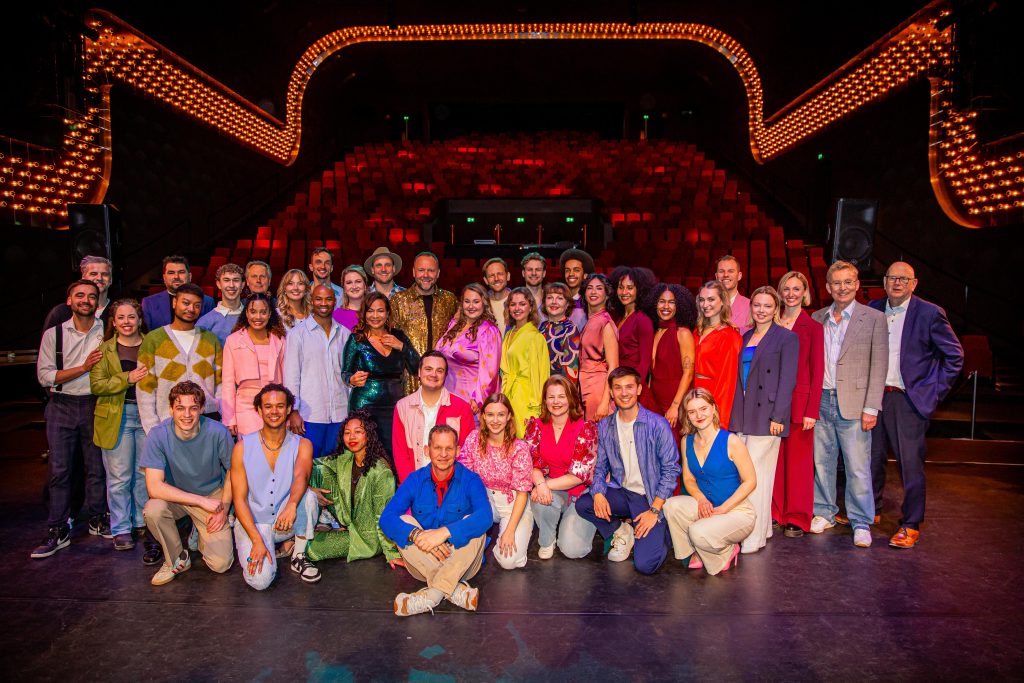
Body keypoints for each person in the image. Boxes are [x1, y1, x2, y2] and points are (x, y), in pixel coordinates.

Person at [868, 262, 963, 549]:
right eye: (892, 278)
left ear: (914, 283)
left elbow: (955, 356)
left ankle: (910, 523)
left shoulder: (930, 313)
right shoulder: (873, 308)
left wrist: (932, 393)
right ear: (884, 281)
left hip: (908, 400)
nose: (897, 283)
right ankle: (870, 510)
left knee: (910, 464)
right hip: (874, 397)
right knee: (871, 458)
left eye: (903, 279)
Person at [810, 260, 888, 548]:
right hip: (821, 399)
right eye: (836, 283)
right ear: (828, 287)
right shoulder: (817, 317)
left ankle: (860, 521)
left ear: (856, 285)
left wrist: (871, 407)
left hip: (855, 405)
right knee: (822, 462)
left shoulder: (874, 318)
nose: (842, 287)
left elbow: (879, 365)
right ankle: (824, 512)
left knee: (857, 467)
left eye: (847, 282)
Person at [575, 367, 680, 575]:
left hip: (650, 498)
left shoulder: (657, 424)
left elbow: (671, 470)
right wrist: (598, 493)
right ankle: (622, 530)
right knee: (584, 504)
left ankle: (664, 534)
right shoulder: (606, 426)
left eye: (629, 387)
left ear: (639, 389)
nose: (624, 393)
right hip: (623, 493)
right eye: (618, 388)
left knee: (646, 565)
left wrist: (654, 511)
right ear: (611, 392)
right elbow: (600, 466)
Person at [379, 424, 492, 617]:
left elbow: (486, 517)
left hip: (463, 563)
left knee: (475, 524)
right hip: (424, 560)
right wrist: (417, 535)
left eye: (449, 448)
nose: (443, 454)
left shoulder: (471, 480)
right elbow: (386, 518)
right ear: (427, 450)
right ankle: (454, 590)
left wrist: (444, 533)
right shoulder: (415, 480)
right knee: (405, 521)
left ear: (458, 451)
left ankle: (431, 596)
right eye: (437, 448)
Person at [32, 280, 108, 559]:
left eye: (91, 296)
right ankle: (58, 527)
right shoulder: (54, 334)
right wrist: (83, 368)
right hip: (61, 404)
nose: (86, 300)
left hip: (94, 403)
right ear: (69, 301)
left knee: (96, 467)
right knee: (60, 470)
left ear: (97, 302)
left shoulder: (106, 330)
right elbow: (45, 377)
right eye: (80, 295)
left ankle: (98, 517)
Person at [141, 381, 234, 585]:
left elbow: (233, 471)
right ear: (171, 409)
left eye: (193, 408)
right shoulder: (158, 435)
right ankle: (175, 559)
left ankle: (198, 530)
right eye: (180, 408)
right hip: (176, 497)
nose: (187, 414)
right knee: (153, 509)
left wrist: (225, 508)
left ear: (202, 409)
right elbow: (154, 487)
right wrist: (199, 501)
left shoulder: (218, 432)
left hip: (211, 495)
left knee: (221, 564)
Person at [729, 286, 799, 554]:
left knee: (755, 477)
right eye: (757, 305)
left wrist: (778, 416)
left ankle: (753, 537)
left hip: (768, 415)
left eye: (767, 306)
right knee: (754, 476)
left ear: (776, 309)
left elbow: (787, 380)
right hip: (745, 412)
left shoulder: (786, 338)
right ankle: (764, 528)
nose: (761, 310)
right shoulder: (746, 336)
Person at [231, 383, 320, 589]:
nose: (274, 411)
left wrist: (292, 504)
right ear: (259, 410)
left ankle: (298, 554)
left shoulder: (303, 444)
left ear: (288, 409)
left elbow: (301, 476)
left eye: (280, 406)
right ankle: (268, 546)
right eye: (268, 406)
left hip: (285, 520)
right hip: (253, 524)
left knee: (308, 497)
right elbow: (239, 500)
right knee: (260, 582)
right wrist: (257, 540)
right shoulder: (242, 448)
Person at [662, 389, 757, 575]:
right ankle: (697, 551)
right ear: (687, 416)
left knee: (697, 532)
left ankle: (727, 550)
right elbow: (688, 479)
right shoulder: (686, 441)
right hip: (709, 506)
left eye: (703, 409)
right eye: (692, 412)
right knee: (671, 506)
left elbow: (750, 481)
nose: (699, 415)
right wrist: (701, 499)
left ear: (713, 408)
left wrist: (725, 508)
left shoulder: (731, 441)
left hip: (737, 511)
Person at [90, 299, 151, 553]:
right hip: (118, 417)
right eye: (121, 318)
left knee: (143, 475)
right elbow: (97, 385)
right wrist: (127, 378)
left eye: (131, 317)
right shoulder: (104, 350)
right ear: (113, 323)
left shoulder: (152, 344)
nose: (127, 322)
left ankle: (140, 522)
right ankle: (121, 528)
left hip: (146, 416)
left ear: (139, 320)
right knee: (119, 478)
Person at [307, 409, 401, 566]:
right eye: (347, 433)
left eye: (358, 432)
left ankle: (323, 529)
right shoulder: (347, 458)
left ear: (369, 435)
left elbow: (384, 515)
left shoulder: (381, 472)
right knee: (317, 469)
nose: (352, 437)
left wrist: (391, 552)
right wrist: (308, 489)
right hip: (347, 519)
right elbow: (311, 465)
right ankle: (326, 521)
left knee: (311, 548)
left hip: (366, 538)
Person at [524, 376, 598, 559]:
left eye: (562, 396)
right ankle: (547, 540)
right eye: (551, 397)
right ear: (545, 400)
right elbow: (531, 462)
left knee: (573, 551)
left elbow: (579, 475)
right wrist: (540, 483)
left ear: (571, 398)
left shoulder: (585, 428)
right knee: (540, 500)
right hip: (552, 492)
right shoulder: (536, 426)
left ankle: (568, 523)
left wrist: (543, 485)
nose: (556, 402)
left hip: (579, 494)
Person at [458, 394, 534, 570]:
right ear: (483, 416)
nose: (495, 420)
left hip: (512, 504)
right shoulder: (473, 439)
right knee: (460, 533)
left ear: (509, 417)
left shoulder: (519, 448)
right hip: (482, 500)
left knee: (509, 561)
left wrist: (510, 531)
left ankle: (510, 532)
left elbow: (522, 493)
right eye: (490, 414)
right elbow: (465, 479)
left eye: (501, 414)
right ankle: (481, 540)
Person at [774, 271, 824, 537]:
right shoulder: (771, 322)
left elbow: (817, 371)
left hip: (799, 405)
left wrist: (811, 410)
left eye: (796, 289)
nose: (791, 294)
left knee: (799, 465)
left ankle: (796, 516)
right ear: (780, 292)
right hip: (772, 404)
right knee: (774, 461)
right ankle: (775, 512)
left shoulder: (813, 327)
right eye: (786, 288)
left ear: (805, 293)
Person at [137, 283, 223, 434]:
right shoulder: (154, 339)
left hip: (207, 419)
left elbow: (221, 383)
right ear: (174, 302)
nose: (191, 309)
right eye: (186, 303)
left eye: (197, 305)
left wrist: (219, 414)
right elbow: (145, 387)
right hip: (167, 422)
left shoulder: (211, 340)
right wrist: (152, 427)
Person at [343, 292, 420, 454]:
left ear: (387, 313)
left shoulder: (398, 336)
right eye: (370, 311)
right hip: (364, 405)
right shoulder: (356, 339)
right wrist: (351, 379)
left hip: (394, 406)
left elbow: (416, 368)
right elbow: (345, 372)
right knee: (366, 453)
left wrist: (402, 347)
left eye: (380, 311)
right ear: (364, 314)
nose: (375, 316)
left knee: (393, 452)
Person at [283, 285, 351, 458]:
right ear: (311, 301)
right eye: (319, 299)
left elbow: (348, 376)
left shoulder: (345, 334)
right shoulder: (297, 334)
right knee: (308, 464)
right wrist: (293, 411)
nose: (323, 303)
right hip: (310, 415)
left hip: (340, 413)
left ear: (335, 302)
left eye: (328, 299)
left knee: (336, 464)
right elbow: (291, 377)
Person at [393, 352, 475, 483]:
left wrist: (453, 487)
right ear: (419, 372)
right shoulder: (403, 407)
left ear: (445, 375)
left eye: (439, 370)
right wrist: (412, 487)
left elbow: (467, 453)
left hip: (452, 485)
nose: (434, 374)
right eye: (428, 369)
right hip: (415, 484)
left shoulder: (462, 408)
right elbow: (400, 454)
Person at [389, 252, 458, 394]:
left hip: (442, 379)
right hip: (408, 380)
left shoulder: (450, 300)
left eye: (431, 270)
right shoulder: (398, 300)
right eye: (421, 270)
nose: (426, 275)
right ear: (413, 272)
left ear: (438, 273)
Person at [221, 294, 287, 437]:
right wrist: (229, 419)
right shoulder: (233, 341)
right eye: (253, 311)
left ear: (270, 314)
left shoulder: (279, 340)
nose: (258, 317)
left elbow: (287, 379)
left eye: (263, 312)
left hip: (275, 405)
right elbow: (227, 383)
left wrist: (290, 410)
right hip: (246, 407)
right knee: (250, 448)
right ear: (246, 313)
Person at [435, 282, 502, 415]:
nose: (471, 306)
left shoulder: (488, 330)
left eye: (476, 302)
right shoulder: (454, 324)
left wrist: (479, 400)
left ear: (484, 303)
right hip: (446, 396)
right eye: (467, 301)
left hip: (471, 401)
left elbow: (490, 372)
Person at [642, 283, 697, 428]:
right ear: (655, 304)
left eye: (671, 302)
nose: (666, 306)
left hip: (674, 403)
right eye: (662, 301)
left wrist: (675, 406)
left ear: (678, 306)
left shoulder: (683, 333)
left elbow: (688, 373)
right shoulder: (654, 332)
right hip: (654, 402)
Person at [500, 288, 550, 437]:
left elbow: (541, 375)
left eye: (522, 304)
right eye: (513, 304)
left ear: (530, 307)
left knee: (524, 442)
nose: (517, 308)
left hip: (526, 400)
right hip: (508, 396)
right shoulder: (509, 334)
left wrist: (536, 408)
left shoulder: (535, 337)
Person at [693, 280, 743, 430]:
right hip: (691, 397)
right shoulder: (696, 331)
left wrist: (719, 420)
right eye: (702, 300)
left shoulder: (730, 336)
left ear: (722, 301)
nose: (705, 304)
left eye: (711, 299)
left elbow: (727, 383)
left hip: (711, 396)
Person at [578, 273, 619, 421]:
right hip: (585, 385)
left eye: (599, 288)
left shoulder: (605, 322)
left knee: (597, 432)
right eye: (589, 288)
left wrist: (605, 401)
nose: (593, 292)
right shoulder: (591, 320)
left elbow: (613, 366)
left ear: (607, 295)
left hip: (598, 387)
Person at [42, 255, 115, 332]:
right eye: (93, 274)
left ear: (111, 280)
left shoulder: (117, 311)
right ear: (83, 277)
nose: (99, 278)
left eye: (105, 274)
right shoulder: (61, 312)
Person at [609, 266, 656, 385]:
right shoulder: (618, 318)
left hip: (631, 383)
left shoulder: (642, 320)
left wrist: (635, 386)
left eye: (630, 288)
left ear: (639, 290)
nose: (624, 292)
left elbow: (645, 362)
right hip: (617, 380)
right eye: (621, 287)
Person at [142, 255, 215, 331]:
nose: (176, 277)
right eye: (171, 273)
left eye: (181, 272)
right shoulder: (149, 303)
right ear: (164, 278)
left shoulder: (207, 302)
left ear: (190, 276)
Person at [538, 282, 582, 383]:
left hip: (557, 387)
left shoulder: (570, 329)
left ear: (567, 304)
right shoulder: (543, 326)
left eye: (560, 298)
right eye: (550, 297)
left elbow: (571, 371)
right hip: (539, 385)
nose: (554, 302)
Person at [197, 263, 245, 344]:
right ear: (218, 284)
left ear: (242, 285)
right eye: (226, 280)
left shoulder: (253, 317)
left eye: (236, 280)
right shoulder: (205, 321)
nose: (231, 285)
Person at [716, 255, 751, 335]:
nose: (725, 275)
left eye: (730, 271)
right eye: (721, 271)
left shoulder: (750, 306)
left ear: (739, 276)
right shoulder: (707, 305)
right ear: (716, 276)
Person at [559, 248, 592, 331]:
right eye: (567, 270)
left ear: (585, 275)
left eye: (576, 270)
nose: (571, 274)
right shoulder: (559, 299)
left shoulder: (589, 302)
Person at [332, 264, 370, 331]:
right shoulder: (336, 316)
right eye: (349, 283)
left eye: (358, 282)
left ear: (365, 285)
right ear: (344, 287)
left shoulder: (374, 312)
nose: (354, 286)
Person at [482, 257, 512, 331]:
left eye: (500, 274)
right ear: (486, 280)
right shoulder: (481, 303)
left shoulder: (519, 302)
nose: (496, 278)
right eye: (491, 275)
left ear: (508, 276)